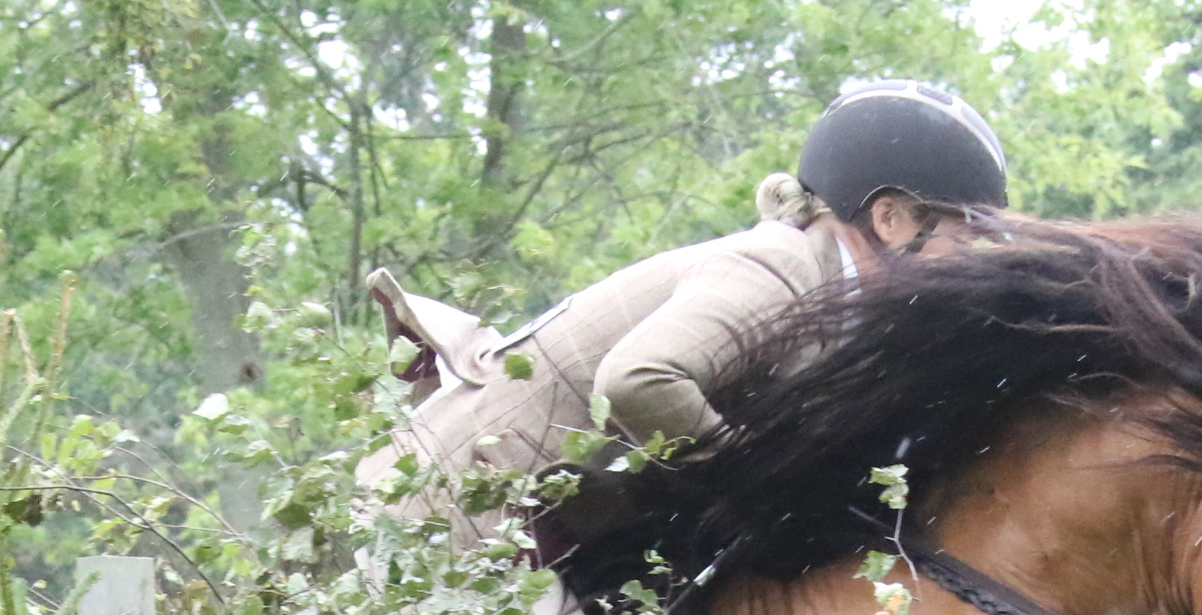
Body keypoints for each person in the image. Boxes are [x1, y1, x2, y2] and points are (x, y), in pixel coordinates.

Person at [385, 78, 1012, 549]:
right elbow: (638, 380)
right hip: (447, 526)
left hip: (515, 538)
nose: (967, 264)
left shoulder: (830, 295)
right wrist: (757, 480)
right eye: (965, 235)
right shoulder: (781, 267)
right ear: (891, 218)